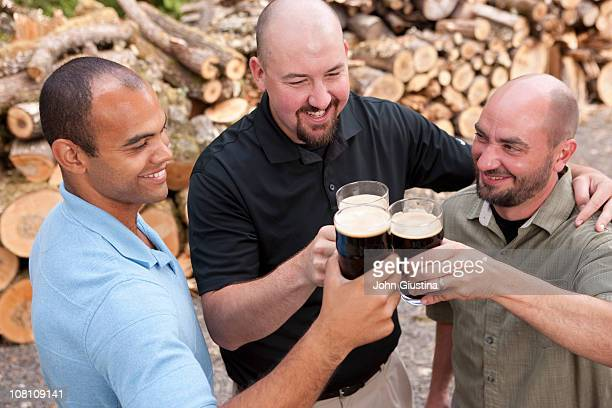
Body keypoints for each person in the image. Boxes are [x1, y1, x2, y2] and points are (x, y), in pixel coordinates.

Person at [187, 0, 612, 407]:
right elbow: (226, 329)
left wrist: (575, 170)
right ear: (259, 73)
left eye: (334, 73)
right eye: (297, 81)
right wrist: (300, 273)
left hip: (384, 386)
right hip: (283, 397)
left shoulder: (389, 126)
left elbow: (492, 164)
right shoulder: (221, 172)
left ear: (348, 55)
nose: (320, 99)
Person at [29, 56, 401, 408]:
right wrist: (332, 338)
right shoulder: (126, 305)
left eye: (161, 132)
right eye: (138, 145)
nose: (163, 154)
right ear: (71, 155)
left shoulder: (64, 226)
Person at [409, 74, 612, 408]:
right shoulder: (455, 213)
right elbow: (448, 316)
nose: (485, 161)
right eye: (480, 136)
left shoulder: (596, 231)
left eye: (511, 147)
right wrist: (437, 394)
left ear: (563, 155)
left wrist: (491, 278)